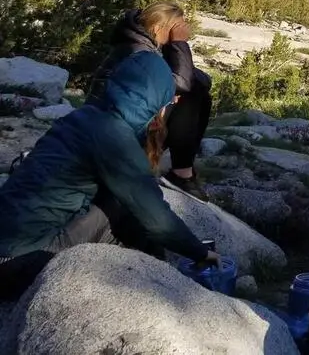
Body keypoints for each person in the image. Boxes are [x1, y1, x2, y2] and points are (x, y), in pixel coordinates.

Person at [0, 51, 219, 300]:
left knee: (118, 199)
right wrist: (200, 253)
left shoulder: (84, 116)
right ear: (152, 101)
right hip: (20, 262)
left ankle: (156, 270)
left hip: (9, 242)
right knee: (123, 206)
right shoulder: (113, 136)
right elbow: (156, 219)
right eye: (168, 103)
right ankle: (158, 283)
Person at [87, 2, 213, 200]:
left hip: (123, 125)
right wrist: (179, 44)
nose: (181, 33)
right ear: (157, 28)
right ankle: (181, 174)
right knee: (191, 94)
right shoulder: (138, 50)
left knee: (198, 93)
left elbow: (197, 80)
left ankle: (182, 172)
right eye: (176, 29)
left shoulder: (145, 43)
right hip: (111, 133)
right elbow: (183, 83)